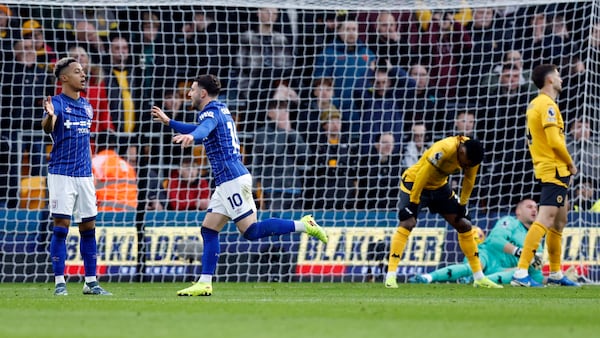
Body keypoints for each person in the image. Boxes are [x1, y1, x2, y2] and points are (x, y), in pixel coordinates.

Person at [150, 74, 328, 296]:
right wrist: (170, 122)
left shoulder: (209, 112)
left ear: (202, 93)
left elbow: (203, 129)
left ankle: (304, 224)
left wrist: (192, 137)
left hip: (232, 179)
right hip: (227, 180)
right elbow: (202, 127)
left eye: (193, 90)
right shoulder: (220, 109)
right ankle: (205, 282)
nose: (189, 94)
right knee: (208, 229)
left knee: (251, 231)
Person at [384, 135, 502, 289]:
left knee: (464, 224)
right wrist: (413, 202)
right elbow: (423, 174)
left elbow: (469, 180)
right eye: (465, 162)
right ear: (461, 150)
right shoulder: (444, 148)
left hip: (439, 187)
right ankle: (391, 276)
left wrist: (462, 204)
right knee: (408, 221)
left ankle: (479, 277)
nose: (465, 166)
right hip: (414, 182)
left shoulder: (473, 156)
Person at [41, 57, 111, 296]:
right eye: (77, 71)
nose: (83, 75)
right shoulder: (57, 104)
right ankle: (60, 282)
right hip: (61, 174)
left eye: (83, 71)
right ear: (64, 78)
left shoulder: (88, 106)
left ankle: (91, 282)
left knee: (88, 227)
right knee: (61, 226)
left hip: (84, 175)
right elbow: (49, 127)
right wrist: (49, 116)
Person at [511, 64, 580, 287]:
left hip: (550, 168)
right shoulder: (547, 105)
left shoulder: (535, 104)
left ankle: (557, 273)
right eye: (558, 75)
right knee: (545, 219)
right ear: (550, 80)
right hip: (555, 168)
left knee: (560, 222)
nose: (561, 79)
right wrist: (570, 162)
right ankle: (520, 272)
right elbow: (554, 141)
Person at [410, 199, 545, 285]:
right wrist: (520, 252)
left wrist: (551, 279)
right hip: (487, 255)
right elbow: (495, 241)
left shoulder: (536, 237)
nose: (534, 210)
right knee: (474, 266)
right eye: (529, 207)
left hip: (502, 269)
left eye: (536, 208)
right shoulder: (509, 222)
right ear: (518, 211)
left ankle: (476, 280)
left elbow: (536, 275)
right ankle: (427, 277)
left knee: (519, 273)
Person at [252, 100, 313, 211]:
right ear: (270, 113)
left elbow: (304, 155)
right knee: (276, 223)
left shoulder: (292, 132)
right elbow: (274, 151)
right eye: (279, 109)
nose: (284, 113)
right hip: (272, 188)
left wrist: (291, 133)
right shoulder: (261, 133)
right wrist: (284, 131)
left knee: (295, 223)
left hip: (294, 186)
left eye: (285, 109)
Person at [91, 132, 138, 212]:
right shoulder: (127, 166)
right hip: (131, 212)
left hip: (106, 212)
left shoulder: (94, 163)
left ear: (97, 144)